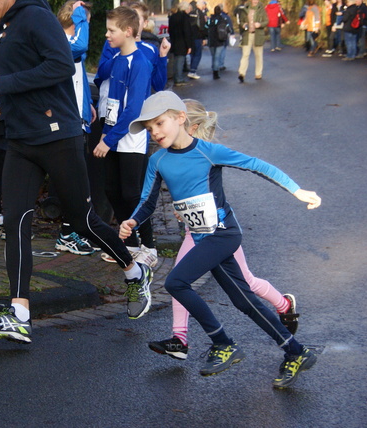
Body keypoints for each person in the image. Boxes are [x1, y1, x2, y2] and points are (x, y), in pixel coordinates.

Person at [0, 0, 153, 344]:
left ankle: (133, 271)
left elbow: (59, 66)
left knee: (82, 220)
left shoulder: (36, 17)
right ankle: (19, 314)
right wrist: (2, 100)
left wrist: (7, 85)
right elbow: (15, 72)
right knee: (14, 221)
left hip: (58, 134)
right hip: (21, 137)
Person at [122, 91, 321, 389]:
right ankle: (296, 351)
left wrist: (297, 191)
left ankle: (223, 344)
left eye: (160, 123)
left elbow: (258, 165)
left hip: (223, 233)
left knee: (176, 282)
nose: (156, 132)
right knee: (244, 301)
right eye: (150, 129)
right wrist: (133, 220)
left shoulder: (208, 152)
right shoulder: (158, 160)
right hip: (202, 237)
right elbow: (147, 201)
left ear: (180, 118)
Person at [147, 98, 300, 361]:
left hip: (218, 231)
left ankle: (284, 305)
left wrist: (297, 190)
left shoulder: (206, 153)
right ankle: (180, 339)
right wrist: (179, 206)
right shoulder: (166, 158)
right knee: (177, 279)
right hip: (192, 232)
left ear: (189, 126)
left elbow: (230, 178)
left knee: (246, 282)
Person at [93, 7, 158, 268]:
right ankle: (130, 243)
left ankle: (150, 246)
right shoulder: (118, 58)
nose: (107, 35)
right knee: (111, 189)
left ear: (128, 31)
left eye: (111, 30)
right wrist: (107, 134)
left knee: (132, 193)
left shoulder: (140, 62)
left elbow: (133, 110)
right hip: (111, 133)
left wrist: (108, 139)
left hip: (130, 137)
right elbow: (110, 98)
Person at [52, 0, 98, 256]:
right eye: (83, 21)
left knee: (78, 179)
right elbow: (81, 45)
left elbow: (78, 77)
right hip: (64, 121)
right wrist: (81, 13)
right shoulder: (62, 42)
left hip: (76, 118)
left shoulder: (71, 46)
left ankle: (72, 231)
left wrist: (88, 104)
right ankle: (67, 234)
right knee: (72, 179)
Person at [236, 0, 269, 82]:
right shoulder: (245, 8)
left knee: (258, 55)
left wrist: (260, 24)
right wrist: (243, 24)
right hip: (247, 35)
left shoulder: (262, 8)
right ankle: (242, 73)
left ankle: (258, 73)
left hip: (258, 35)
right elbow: (241, 20)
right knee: (245, 54)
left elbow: (266, 21)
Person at [168, 2, 194, 87]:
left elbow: (170, 30)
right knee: (180, 61)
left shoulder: (172, 17)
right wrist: (189, 45)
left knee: (176, 61)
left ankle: (177, 77)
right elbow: (187, 32)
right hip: (182, 42)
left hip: (174, 41)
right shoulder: (185, 18)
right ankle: (178, 79)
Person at [187, 0, 208, 80]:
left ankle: (192, 69)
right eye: (204, 4)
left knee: (192, 54)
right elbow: (202, 27)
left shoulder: (190, 13)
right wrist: (204, 37)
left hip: (190, 36)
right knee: (198, 54)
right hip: (198, 37)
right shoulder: (200, 14)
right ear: (201, 5)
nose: (204, 6)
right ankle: (193, 70)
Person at [206, 5, 227, 79]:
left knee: (213, 56)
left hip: (211, 40)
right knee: (217, 57)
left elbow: (206, 27)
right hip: (219, 40)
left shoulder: (210, 19)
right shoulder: (222, 19)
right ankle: (215, 72)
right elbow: (227, 28)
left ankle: (213, 68)